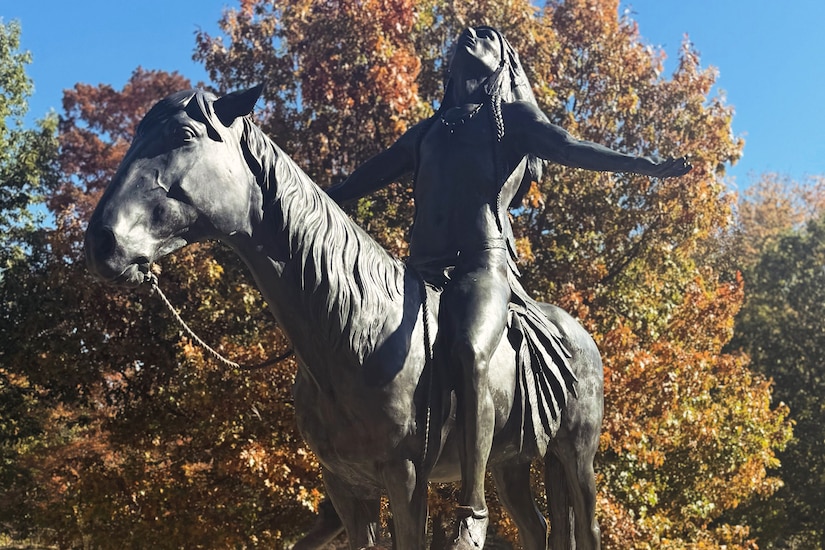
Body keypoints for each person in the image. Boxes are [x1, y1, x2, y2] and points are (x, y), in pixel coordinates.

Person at [327, 25, 691, 549]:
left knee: (471, 350)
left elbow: (572, 147)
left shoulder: (510, 121)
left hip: (482, 267)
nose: (472, 33)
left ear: (503, 63)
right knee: (361, 349)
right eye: (468, 32)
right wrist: (295, 198)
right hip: (422, 271)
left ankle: (473, 509)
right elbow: (356, 183)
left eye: (488, 35)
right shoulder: (427, 133)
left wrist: (645, 167)